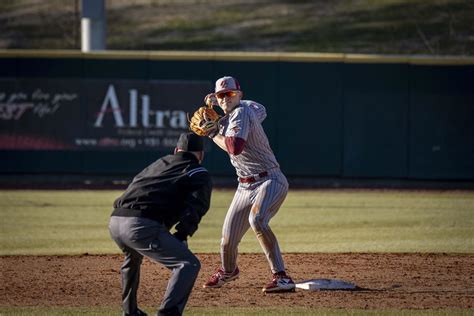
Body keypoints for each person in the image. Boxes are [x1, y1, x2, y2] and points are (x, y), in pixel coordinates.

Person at [202, 76, 295, 293]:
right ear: (216, 98)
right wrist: (219, 111)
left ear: (239, 95)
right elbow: (261, 108)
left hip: (270, 179)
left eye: (230, 94)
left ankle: (281, 276)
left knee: (258, 219)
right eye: (221, 95)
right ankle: (228, 271)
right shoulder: (245, 111)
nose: (225, 98)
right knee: (227, 240)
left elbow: (235, 147)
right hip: (244, 186)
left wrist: (213, 133)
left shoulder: (242, 112)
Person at [109, 132, 212, 316]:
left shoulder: (159, 163)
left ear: (175, 150)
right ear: (201, 155)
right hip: (139, 226)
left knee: (132, 258)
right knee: (187, 264)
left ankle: (129, 312)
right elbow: (198, 205)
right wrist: (182, 234)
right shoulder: (197, 171)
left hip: (116, 221)